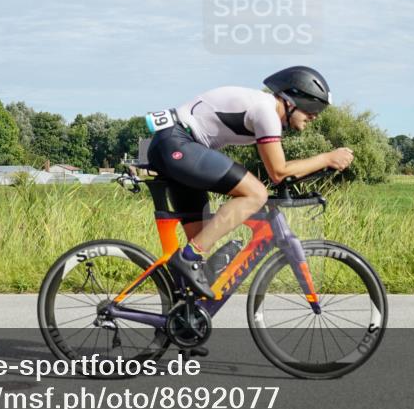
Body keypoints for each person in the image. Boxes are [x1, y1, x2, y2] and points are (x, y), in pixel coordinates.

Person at [145, 66, 354, 299]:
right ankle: (188, 259)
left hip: (175, 143)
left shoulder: (263, 108)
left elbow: (279, 171)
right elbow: (278, 172)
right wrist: (327, 158)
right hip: (178, 143)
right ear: (290, 100)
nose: (315, 116)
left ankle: (180, 315)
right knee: (256, 194)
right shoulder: (266, 111)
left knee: (202, 243)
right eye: (312, 107)